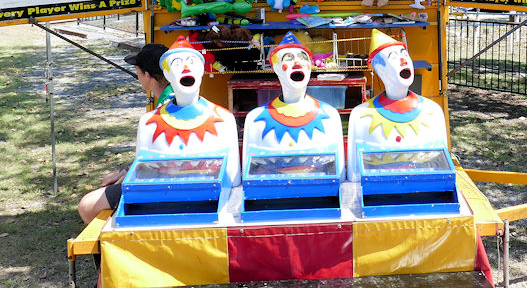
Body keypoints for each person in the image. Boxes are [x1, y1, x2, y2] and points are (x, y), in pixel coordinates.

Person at [77, 43, 167, 224]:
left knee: (87, 206)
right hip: (168, 176)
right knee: (109, 182)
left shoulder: (158, 113)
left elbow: (153, 162)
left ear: (147, 75)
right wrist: (125, 171)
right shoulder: (171, 98)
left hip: (161, 183)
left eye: (137, 70)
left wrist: (127, 177)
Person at [135, 36, 241, 186]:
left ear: (202, 70)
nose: (186, 68)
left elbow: (233, 180)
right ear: (166, 73)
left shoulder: (224, 119)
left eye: (192, 62)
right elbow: (142, 179)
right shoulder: (148, 123)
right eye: (177, 64)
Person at [346, 29, 448, 181]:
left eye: (405, 55)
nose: (403, 61)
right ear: (379, 70)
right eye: (393, 57)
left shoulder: (433, 111)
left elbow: (442, 168)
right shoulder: (360, 116)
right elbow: (354, 175)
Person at [241, 32, 344, 178]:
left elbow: (339, 173)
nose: (297, 63)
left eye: (303, 58)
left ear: (310, 66)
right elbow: (250, 175)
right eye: (288, 58)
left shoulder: (330, 116)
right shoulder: (255, 120)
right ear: (276, 67)